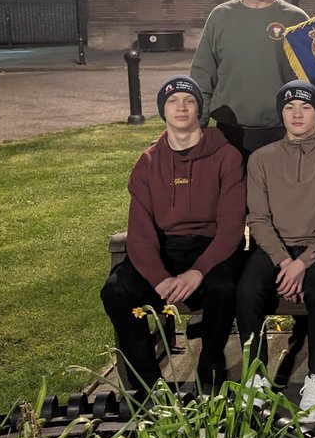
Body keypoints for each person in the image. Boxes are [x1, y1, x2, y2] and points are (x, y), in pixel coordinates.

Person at [100, 75, 245, 398]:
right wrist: (159, 278)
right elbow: (140, 232)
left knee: (225, 285)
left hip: (211, 248)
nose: (181, 107)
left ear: (199, 110)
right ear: (163, 112)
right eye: (172, 102)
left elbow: (232, 225)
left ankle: (210, 369)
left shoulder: (226, 156)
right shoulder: (148, 163)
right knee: (116, 291)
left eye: (189, 101)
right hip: (164, 249)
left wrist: (198, 271)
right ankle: (149, 388)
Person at [235, 80, 315, 423]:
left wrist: (304, 262)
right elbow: (258, 218)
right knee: (248, 289)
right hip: (275, 248)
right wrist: (285, 261)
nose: (297, 114)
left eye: (305, 107)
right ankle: (254, 374)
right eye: (289, 107)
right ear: (281, 113)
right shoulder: (261, 159)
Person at [190, 0, 308, 159]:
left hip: (283, 131)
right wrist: (197, 124)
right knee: (233, 194)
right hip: (229, 132)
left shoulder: (295, 18)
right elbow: (202, 76)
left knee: (280, 194)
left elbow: (311, 77)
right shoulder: (221, 17)